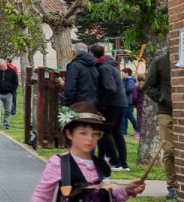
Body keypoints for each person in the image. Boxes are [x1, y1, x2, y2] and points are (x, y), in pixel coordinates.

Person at [143, 47, 177, 199]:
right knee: (169, 149)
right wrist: (162, 98)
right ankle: (173, 186)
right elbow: (148, 86)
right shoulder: (160, 62)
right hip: (166, 111)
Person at [91, 43, 129, 171]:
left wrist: (103, 103)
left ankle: (115, 161)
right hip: (121, 102)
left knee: (107, 132)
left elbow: (110, 88)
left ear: (92, 54)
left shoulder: (103, 68)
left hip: (112, 103)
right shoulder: (110, 65)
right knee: (117, 132)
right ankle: (123, 163)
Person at [60, 42, 99, 107]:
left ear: (74, 53)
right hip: (94, 103)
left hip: (79, 103)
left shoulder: (74, 66)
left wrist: (65, 104)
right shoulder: (94, 65)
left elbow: (70, 88)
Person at [0, 58, 18, 130]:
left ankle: (6, 124)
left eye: (3, 67)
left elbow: (16, 82)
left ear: (6, 64)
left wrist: (12, 91)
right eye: (0, 67)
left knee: (8, 110)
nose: (1, 68)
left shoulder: (12, 72)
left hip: (8, 94)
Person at [121, 68, 140, 137]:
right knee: (124, 116)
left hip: (129, 101)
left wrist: (122, 90)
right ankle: (123, 131)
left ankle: (138, 129)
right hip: (125, 101)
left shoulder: (131, 80)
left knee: (130, 116)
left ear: (127, 73)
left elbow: (129, 89)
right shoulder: (124, 80)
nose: (122, 74)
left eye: (123, 73)